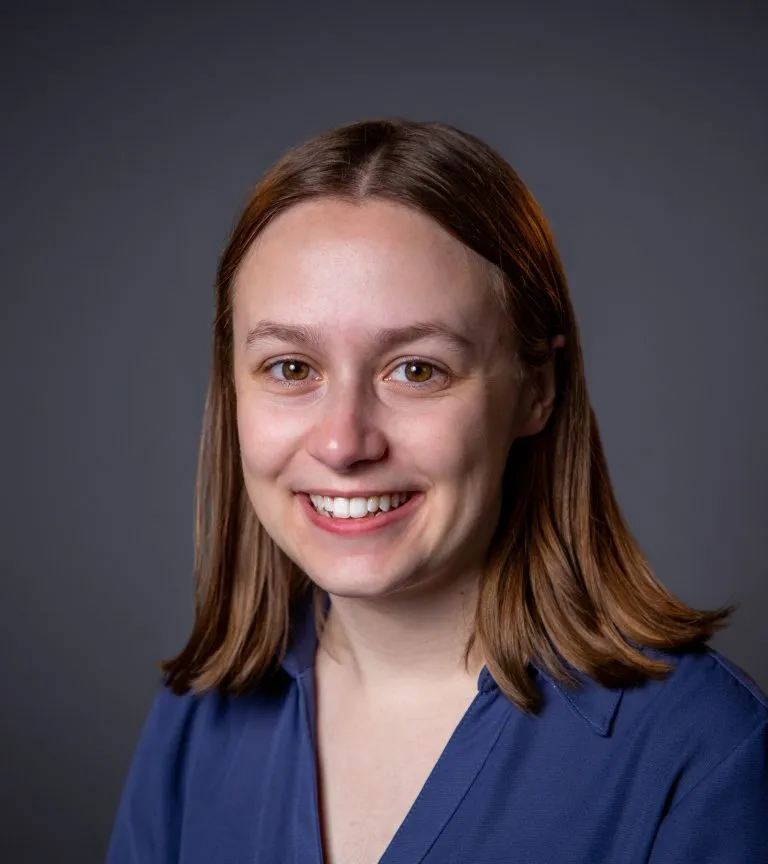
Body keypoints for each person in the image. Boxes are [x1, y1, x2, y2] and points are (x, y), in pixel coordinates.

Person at [107, 118, 768, 864]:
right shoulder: (197, 717)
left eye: (416, 370)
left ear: (534, 391)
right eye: (291, 368)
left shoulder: (704, 753)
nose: (343, 442)